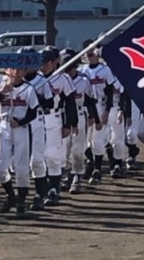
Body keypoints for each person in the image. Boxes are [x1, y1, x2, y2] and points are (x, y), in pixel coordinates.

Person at [0, 65, 39, 219]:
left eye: (20, 69)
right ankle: (11, 196)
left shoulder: (28, 89)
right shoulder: (1, 86)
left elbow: (33, 112)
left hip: (21, 129)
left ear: (25, 72)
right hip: (4, 128)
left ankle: (21, 203)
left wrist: (21, 121)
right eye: (12, 69)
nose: (16, 73)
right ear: (7, 71)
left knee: (21, 168)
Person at [39, 46, 78, 206]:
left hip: (54, 118)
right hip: (37, 119)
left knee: (53, 155)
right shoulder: (35, 78)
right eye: (41, 62)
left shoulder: (62, 79)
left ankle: (54, 189)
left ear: (55, 62)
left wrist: (69, 124)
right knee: (38, 157)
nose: (43, 65)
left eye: (47, 62)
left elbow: (70, 102)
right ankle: (42, 189)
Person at [18, 47, 53, 211]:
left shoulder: (41, 81)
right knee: (19, 162)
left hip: (37, 122)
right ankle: (21, 197)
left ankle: (40, 194)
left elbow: (50, 104)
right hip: (18, 124)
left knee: (36, 160)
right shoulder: (14, 81)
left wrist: (37, 97)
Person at [60, 51, 99, 194]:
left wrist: (94, 117)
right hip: (63, 116)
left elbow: (90, 100)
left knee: (77, 148)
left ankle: (77, 176)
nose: (67, 70)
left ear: (75, 67)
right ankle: (69, 174)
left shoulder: (83, 81)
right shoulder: (60, 79)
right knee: (64, 149)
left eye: (69, 67)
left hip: (80, 114)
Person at [81, 44, 115, 184]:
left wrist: (107, 110)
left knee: (97, 139)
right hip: (86, 107)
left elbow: (110, 91)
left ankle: (97, 170)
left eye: (92, 52)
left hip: (101, 105)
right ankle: (93, 161)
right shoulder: (83, 71)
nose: (90, 55)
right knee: (85, 141)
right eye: (87, 53)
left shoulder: (105, 70)